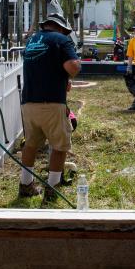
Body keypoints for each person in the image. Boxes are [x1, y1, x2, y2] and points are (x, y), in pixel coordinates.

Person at [18, 11, 82, 203]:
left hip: (28, 102)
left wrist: (61, 78)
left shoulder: (32, 40)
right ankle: (52, 188)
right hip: (51, 102)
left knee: (30, 144)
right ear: (62, 28)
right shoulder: (62, 40)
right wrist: (72, 72)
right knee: (59, 146)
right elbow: (72, 66)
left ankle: (25, 184)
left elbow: (42, 67)